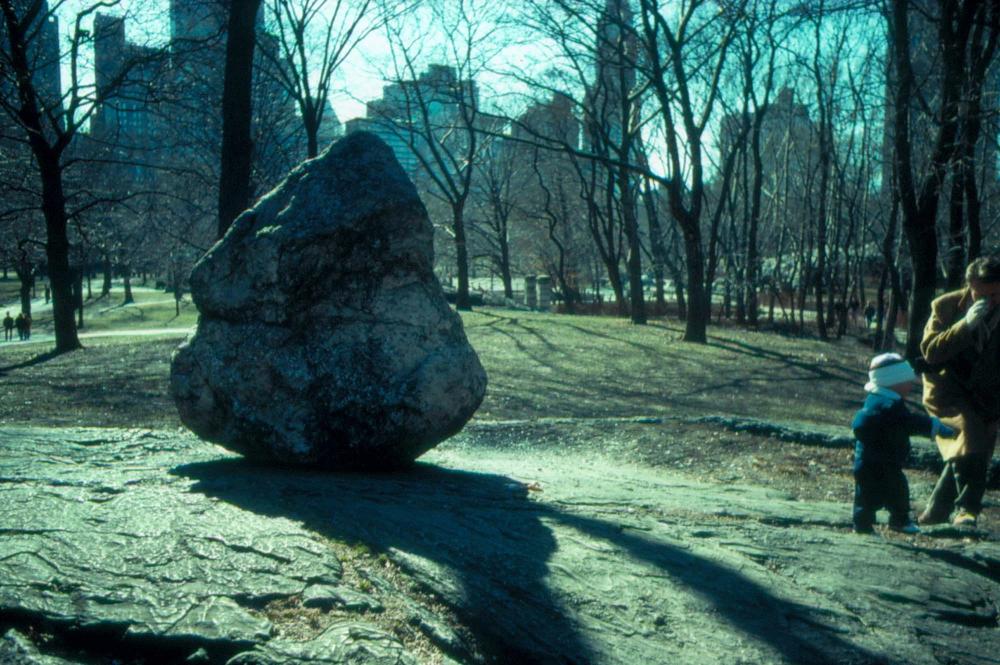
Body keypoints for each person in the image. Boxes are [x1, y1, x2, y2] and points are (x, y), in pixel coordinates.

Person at [918, 256, 1000, 528]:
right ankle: (967, 510)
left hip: (985, 394)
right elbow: (931, 352)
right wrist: (965, 326)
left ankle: (935, 512)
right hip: (946, 390)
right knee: (970, 430)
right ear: (969, 286)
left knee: (976, 444)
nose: (989, 300)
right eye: (980, 293)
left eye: (995, 293)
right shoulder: (945, 306)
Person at [852, 353, 952, 534]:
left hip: (867, 461)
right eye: (907, 380)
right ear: (893, 382)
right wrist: (935, 426)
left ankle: (862, 524)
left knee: (865, 495)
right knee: (897, 492)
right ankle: (899, 520)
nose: (911, 384)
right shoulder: (889, 406)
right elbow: (910, 422)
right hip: (884, 462)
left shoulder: (877, 399)